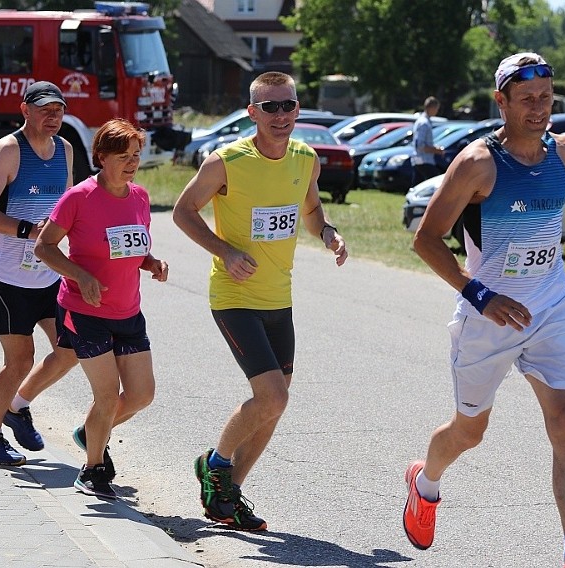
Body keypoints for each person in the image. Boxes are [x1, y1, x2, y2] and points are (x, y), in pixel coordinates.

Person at [401, 53, 565, 568]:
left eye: (546, 97)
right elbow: (425, 240)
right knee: (469, 431)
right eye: (526, 100)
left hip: (550, 309)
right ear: (502, 101)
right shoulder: (478, 163)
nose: (538, 109)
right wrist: (481, 297)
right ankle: (425, 483)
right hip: (488, 317)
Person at [173, 71, 348, 530]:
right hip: (234, 295)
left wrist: (328, 234)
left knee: (277, 401)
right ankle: (215, 465)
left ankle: (227, 496)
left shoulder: (305, 158)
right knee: (270, 395)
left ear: (298, 109)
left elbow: (311, 212)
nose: (281, 115)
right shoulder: (226, 162)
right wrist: (225, 251)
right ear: (252, 113)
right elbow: (182, 212)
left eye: (288, 105)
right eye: (269, 107)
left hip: (278, 296)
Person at [34, 119, 169, 499]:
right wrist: (81, 276)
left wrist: (152, 262)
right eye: (123, 156)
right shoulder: (79, 197)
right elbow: (44, 248)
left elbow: (133, 248)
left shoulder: (140, 197)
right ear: (101, 157)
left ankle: (92, 432)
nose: (132, 163)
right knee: (107, 395)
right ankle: (92, 469)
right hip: (84, 311)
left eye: (136, 156)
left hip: (128, 311)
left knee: (142, 395)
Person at [0, 81, 78, 466]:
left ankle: (17, 406)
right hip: (5, 274)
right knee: (20, 360)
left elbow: (65, 209)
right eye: (45, 109)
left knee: (72, 347)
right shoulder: (10, 150)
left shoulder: (64, 150)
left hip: (46, 272)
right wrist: (28, 230)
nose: (53, 117)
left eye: (59, 110)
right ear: (25, 110)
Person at [411, 96, 444, 185]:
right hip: (424, 160)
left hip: (419, 159)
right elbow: (420, 145)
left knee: (416, 185)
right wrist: (436, 150)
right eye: (436, 108)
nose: (437, 111)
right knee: (433, 183)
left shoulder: (422, 121)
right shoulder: (424, 123)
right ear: (431, 108)